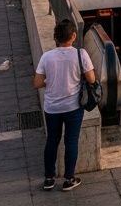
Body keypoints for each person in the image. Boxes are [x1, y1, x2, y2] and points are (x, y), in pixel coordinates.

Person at [34, 19, 95, 192]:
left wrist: (52, 80)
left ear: (56, 38)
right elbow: (91, 79)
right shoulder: (80, 54)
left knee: (52, 140)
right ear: (73, 36)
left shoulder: (47, 57)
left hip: (52, 107)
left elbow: (37, 83)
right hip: (73, 107)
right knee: (71, 141)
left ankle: (49, 179)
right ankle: (69, 179)